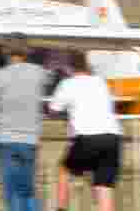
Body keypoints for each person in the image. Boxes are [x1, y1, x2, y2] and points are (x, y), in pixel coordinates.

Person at [48, 50, 122, 211]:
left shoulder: (67, 84)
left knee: (64, 169)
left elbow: (52, 109)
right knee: (104, 187)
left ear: (69, 68)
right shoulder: (101, 82)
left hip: (87, 138)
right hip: (112, 137)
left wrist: (64, 113)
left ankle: (61, 208)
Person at [0, 37, 48, 211]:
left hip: (6, 138)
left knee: (11, 191)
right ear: (26, 51)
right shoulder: (39, 72)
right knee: (27, 189)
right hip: (30, 139)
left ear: (6, 51)